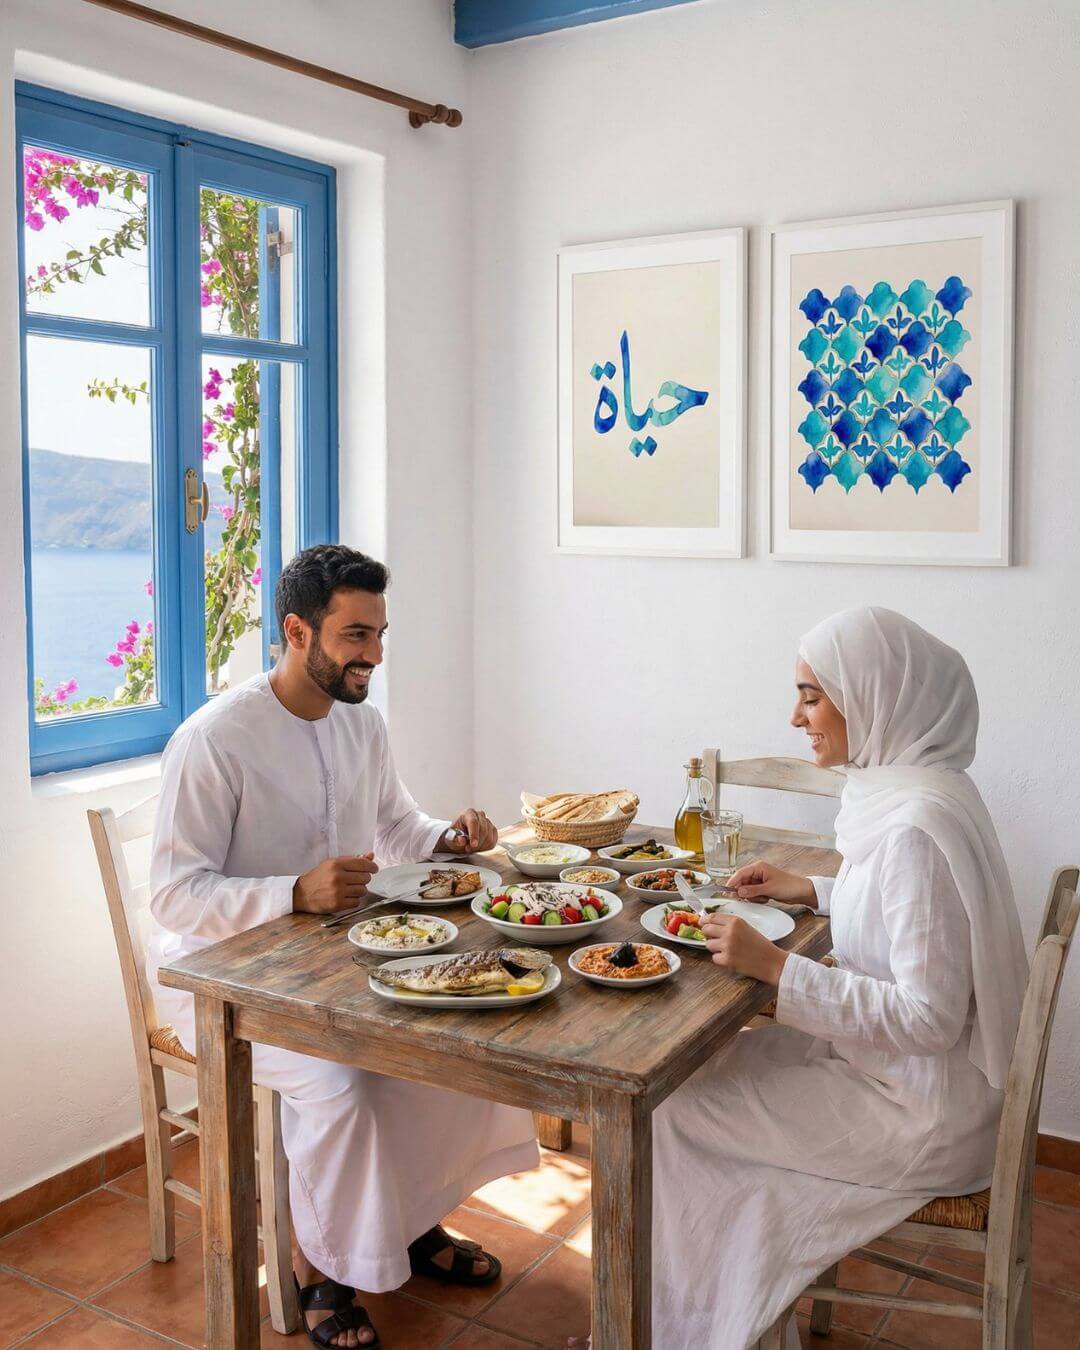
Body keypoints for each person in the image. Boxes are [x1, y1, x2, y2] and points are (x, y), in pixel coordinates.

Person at [570, 606, 1029, 1350]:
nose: (795, 715)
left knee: (662, 1111)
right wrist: (813, 890)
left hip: (918, 1114)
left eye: (812, 695)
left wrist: (778, 968)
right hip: (912, 1080)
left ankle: (666, 1329)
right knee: (694, 1081)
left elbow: (930, 1017)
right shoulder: (922, 788)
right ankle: (715, 1317)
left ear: (874, 696)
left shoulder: (916, 829)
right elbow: (905, 921)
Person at [147, 544, 539, 1349]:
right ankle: (319, 1269)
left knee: (453, 1047)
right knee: (348, 1084)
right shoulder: (215, 739)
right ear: (297, 631)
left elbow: (397, 827)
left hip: (336, 965)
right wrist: (292, 891)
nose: (376, 656)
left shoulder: (362, 724)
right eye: (357, 635)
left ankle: (408, 1221)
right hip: (223, 987)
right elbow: (173, 894)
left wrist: (450, 839)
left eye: (381, 634)